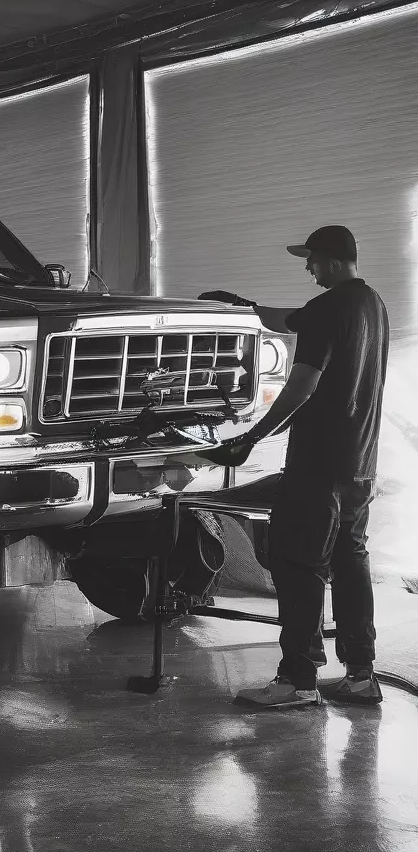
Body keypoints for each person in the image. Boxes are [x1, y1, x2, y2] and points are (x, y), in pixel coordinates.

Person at [199, 225, 389, 709]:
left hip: (318, 463)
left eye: (310, 261)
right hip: (359, 462)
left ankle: (298, 680)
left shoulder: (328, 308)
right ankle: (360, 676)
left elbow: (302, 384)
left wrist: (250, 437)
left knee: (299, 564)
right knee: (350, 563)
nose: (307, 269)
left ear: (327, 260)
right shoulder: (372, 305)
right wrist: (242, 307)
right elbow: (288, 319)